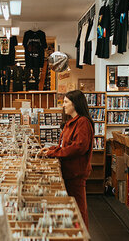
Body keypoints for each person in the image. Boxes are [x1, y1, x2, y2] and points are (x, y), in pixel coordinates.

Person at [40, 90, 94, 229]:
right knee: (73, 206)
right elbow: (64, 145)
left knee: (78, 207)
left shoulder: (82, 122)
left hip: (75, 172)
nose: (63, 105)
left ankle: (82, 237)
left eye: (66, 102)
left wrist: (54, 153)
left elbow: (78, 148)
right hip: (69, 171)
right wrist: (52, 150)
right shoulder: (71, 122)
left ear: (75, 104)